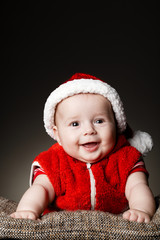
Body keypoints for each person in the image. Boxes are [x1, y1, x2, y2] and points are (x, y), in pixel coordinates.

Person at [10, 73, 156, 222]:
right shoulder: (54, 161)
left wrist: (140, 210)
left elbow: (137, 186)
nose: (89, 130)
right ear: (57, 134)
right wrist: (27, 210)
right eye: (75, 124)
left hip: (115, 223)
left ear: (115, 124)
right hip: (63, 225)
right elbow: (41, 189)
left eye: (99, 121)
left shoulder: (125, 158)